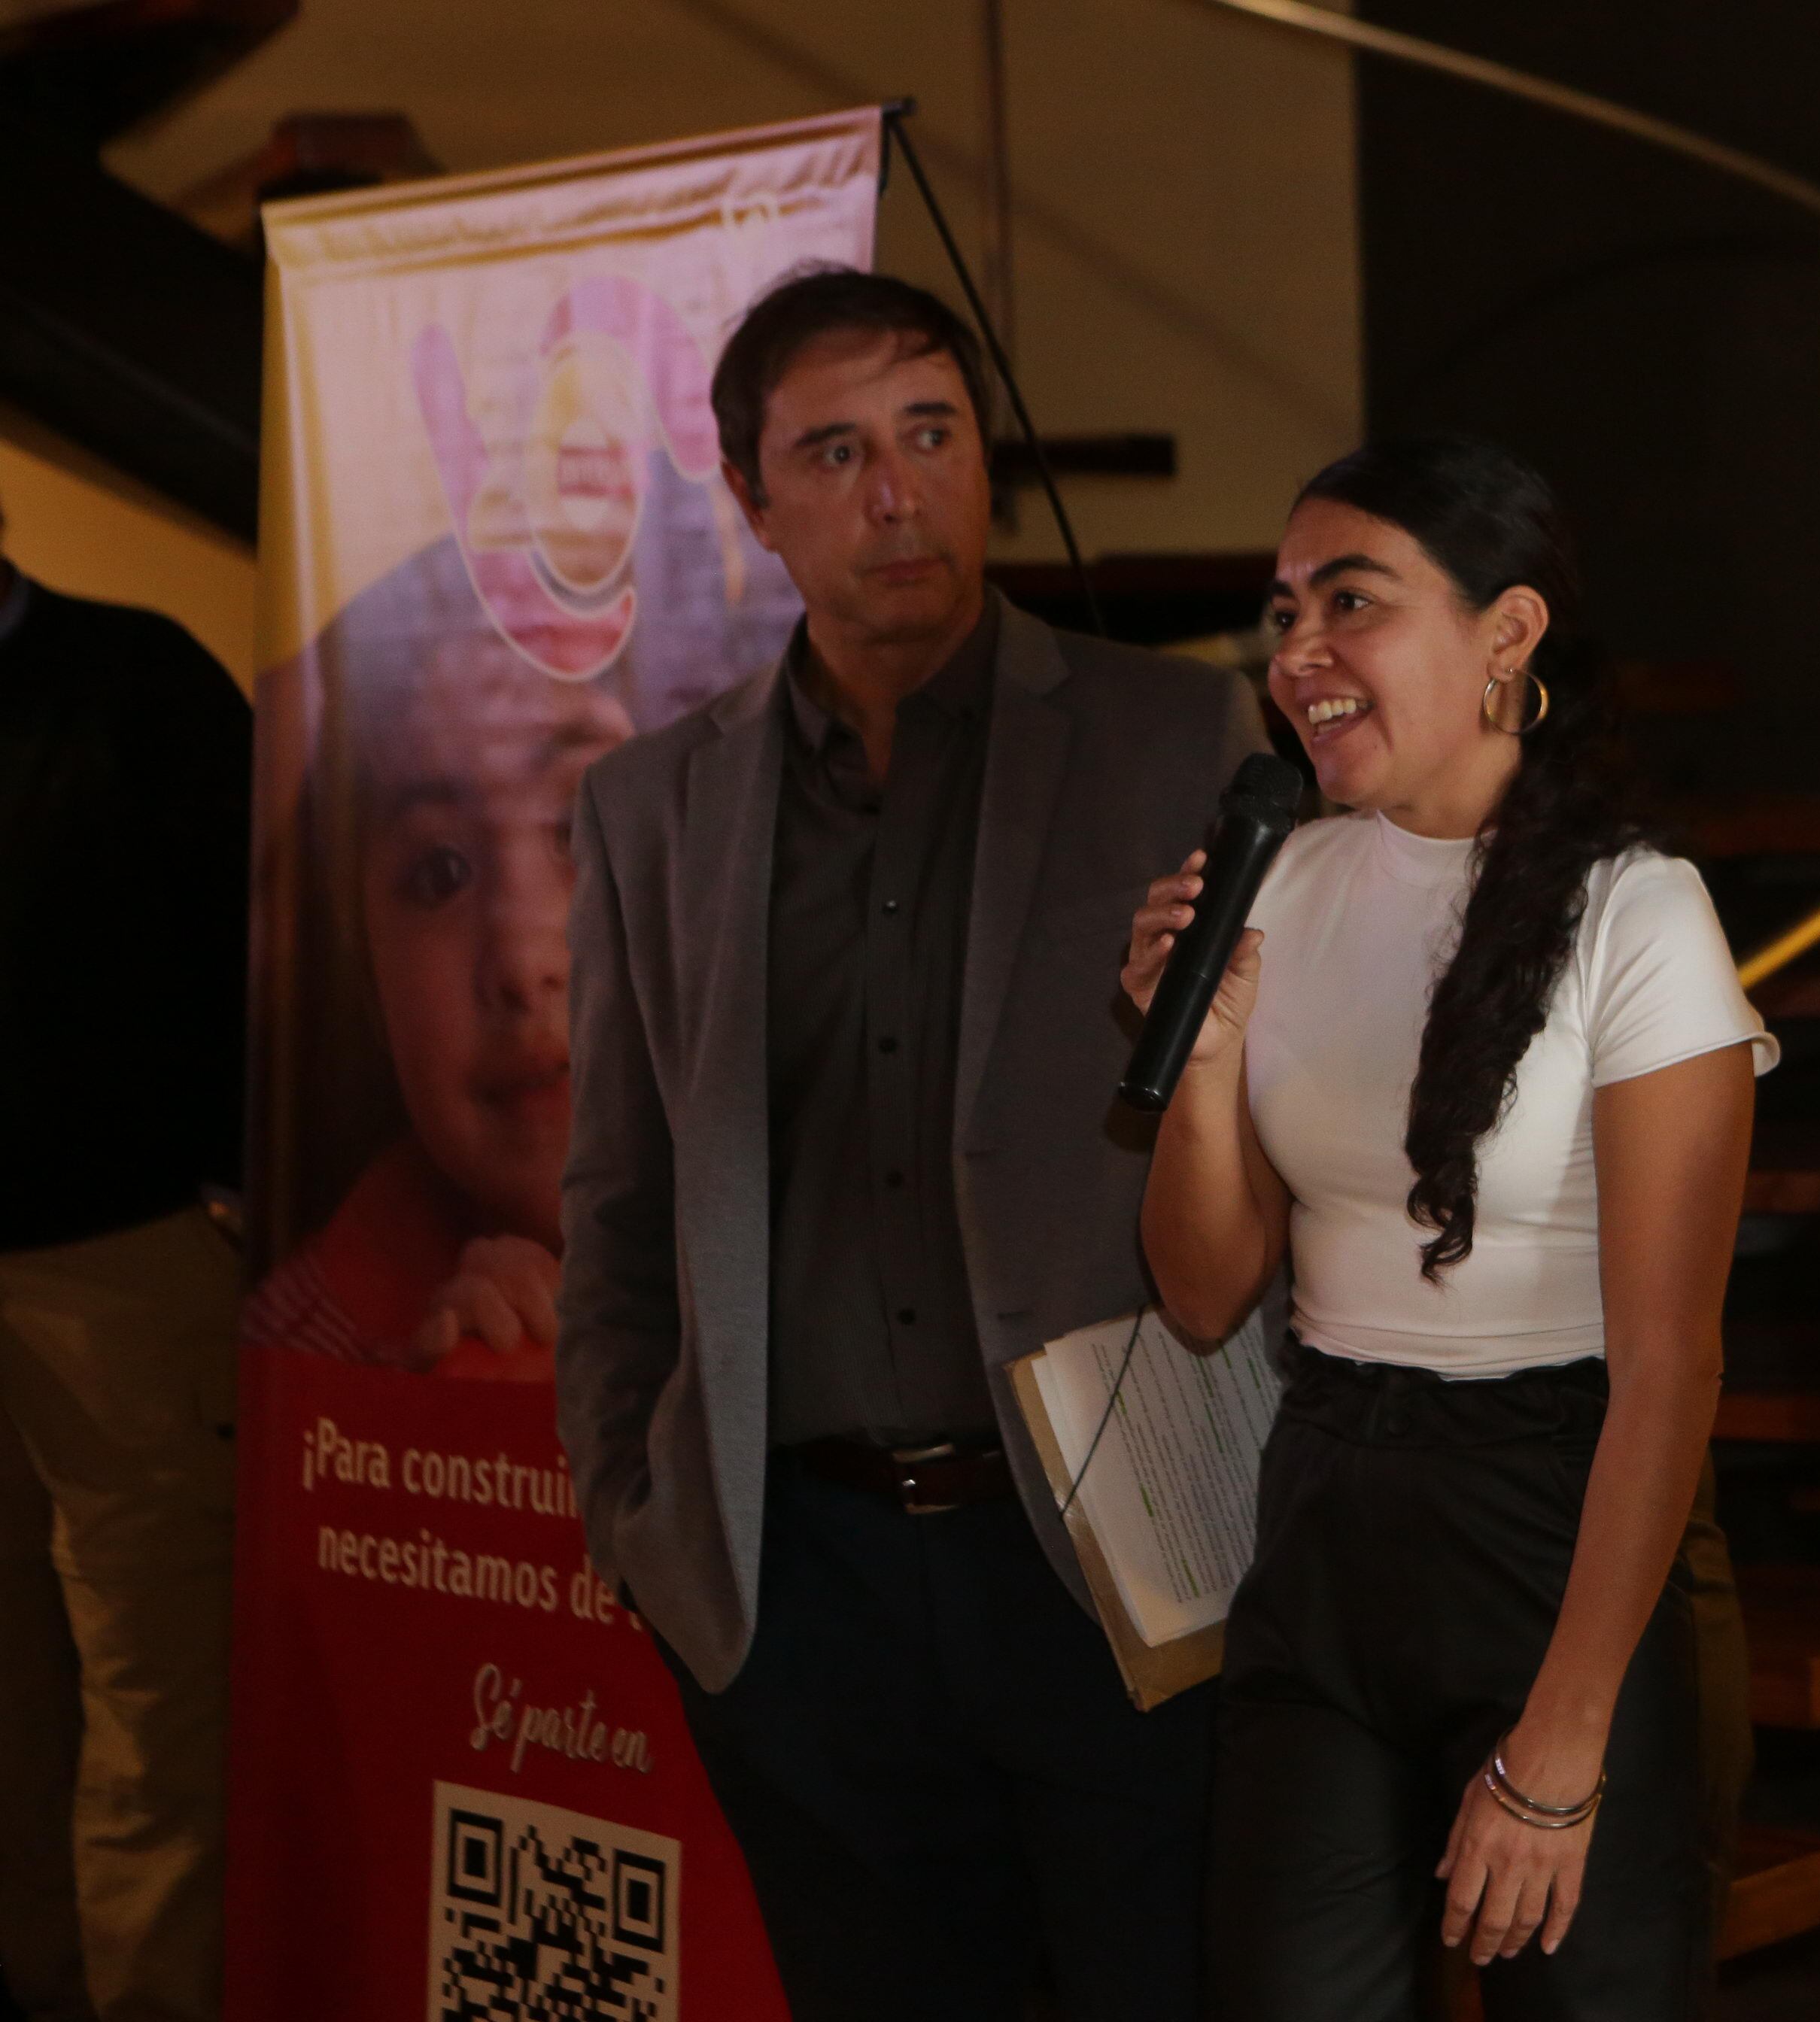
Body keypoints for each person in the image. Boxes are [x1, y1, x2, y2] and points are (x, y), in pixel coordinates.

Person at [553, 267, 1265, 2021]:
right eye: (840, 451)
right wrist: (637, 1519)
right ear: (754, 502)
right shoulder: (653, 807)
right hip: (802, 1593)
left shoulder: (1178, 735)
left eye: (933, 435)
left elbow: (1286, 1143)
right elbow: (619, 1197)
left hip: (1104, 1559)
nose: (898, 493)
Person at [1128, 435, 1773, 2019]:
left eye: (1354, 602)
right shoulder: (1276, 882)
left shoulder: (1640, 912)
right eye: (1282, 615)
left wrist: (1561, 1748)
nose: (1300, 656)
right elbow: (1207, 1292)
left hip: (1561, 1518)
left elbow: (1671, 1367)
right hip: (1330, 1499)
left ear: (1508, 633)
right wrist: (1200, 1064)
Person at [0, 518, 248, 2022]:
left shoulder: (137, 682)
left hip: (121, 1267)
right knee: (12, 1699)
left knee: (158, 1696)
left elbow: (259, 937)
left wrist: (223, 1190)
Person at [241, 603, 634, 1380]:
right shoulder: (299, 1354)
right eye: (439, 874)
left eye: (587, 831)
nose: (523, 963)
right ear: (370, 984)